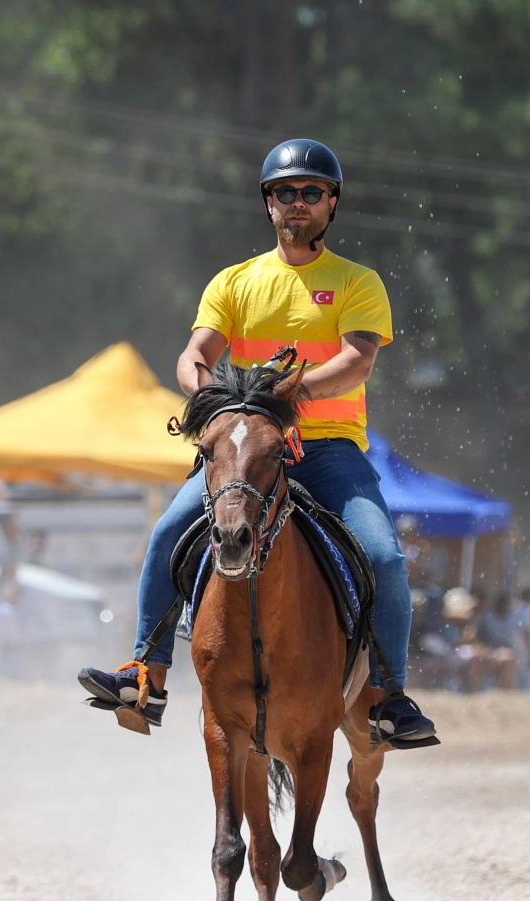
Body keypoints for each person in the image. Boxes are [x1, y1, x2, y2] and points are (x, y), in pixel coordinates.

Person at [76, 139, 437, 746]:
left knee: (383, 556)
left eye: (311, 193)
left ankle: (390, 699)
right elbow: (195, 355)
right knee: (168, 533)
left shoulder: (357, 281)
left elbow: (357, 362)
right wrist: (204, 395)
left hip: (327, 450)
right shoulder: (234, 282)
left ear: (332, 204)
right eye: (285, 193)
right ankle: (146, 672)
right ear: (269, 204)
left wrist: (285, 399)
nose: (298, 204)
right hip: (243, 450)